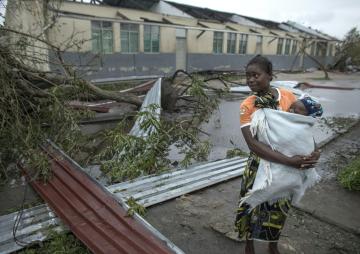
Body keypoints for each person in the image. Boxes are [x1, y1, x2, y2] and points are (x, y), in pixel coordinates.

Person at [235, 55, 320, 254]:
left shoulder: (288, 97)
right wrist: (289, 161)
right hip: (260, 165)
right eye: (247, 76)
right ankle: (250, 244)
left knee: (278, 208)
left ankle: (272, 245)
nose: (251, 80)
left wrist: (315, 151)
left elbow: (303, 128)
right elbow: (253, 144)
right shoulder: (248, 105)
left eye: (256, 75)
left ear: (270, 76)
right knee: (253, 206)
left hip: (287, 166)